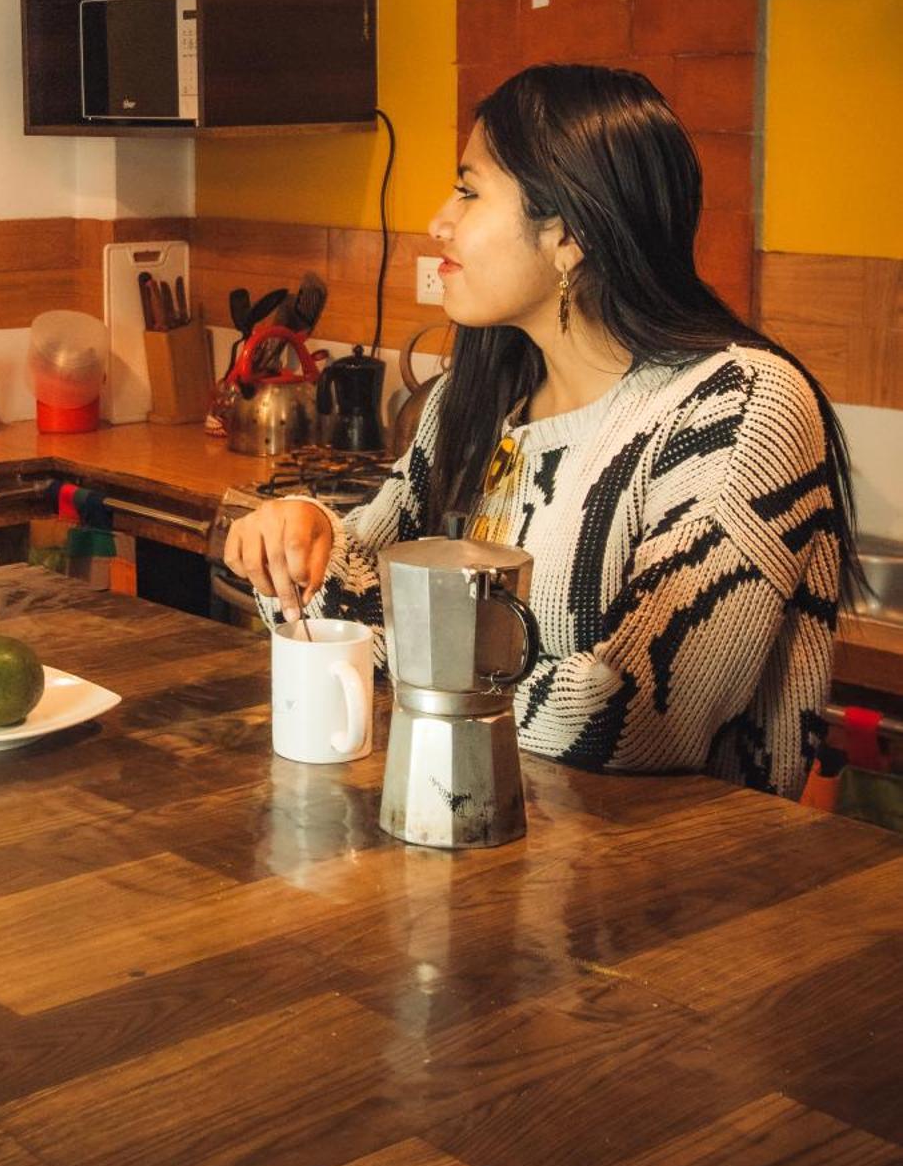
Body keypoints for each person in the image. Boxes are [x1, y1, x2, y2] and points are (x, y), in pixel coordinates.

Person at [225, 64, 862, 799]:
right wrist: (304, 535)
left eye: (468, 190)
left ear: (571, 233)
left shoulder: (736, 407)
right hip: (470, 851)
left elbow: (632, 714)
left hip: (672, 889)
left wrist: (395, 653)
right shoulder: (479, 396)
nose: (439, 220)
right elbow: (342, 604)